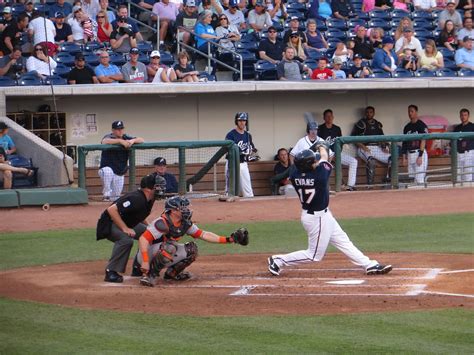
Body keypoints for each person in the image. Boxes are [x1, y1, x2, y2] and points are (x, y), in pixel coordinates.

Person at [267, 148, 392, 277]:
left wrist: (314, 153)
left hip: (320, 215)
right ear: (308, 166)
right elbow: (324, 157)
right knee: (314, 255)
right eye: (313, 161)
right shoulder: (319, 176)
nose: (316, 162)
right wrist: (322, 146)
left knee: (343, 241)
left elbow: (308, 163)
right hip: (317, 218)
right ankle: (278, 260)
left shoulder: (294, 173)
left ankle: (369, 264)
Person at [136, 196, 248, 286]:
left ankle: (172, 273)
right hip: (146, 254)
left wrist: (229, 239)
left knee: (192, 249)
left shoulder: (184, 222)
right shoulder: (161, 223)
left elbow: (204, 234)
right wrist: (145, 261)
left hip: (164, 250)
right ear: (173, 210)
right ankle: (150, 275)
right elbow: (143, 239)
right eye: (183, 207)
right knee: (170, 247)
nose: (186, 209)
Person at [96, 174, 165, 283]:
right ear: (148, 188)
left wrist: (149, 227)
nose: (161, 189)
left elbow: (139, 215)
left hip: (127, 223)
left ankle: (138, 267)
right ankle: (111, 272)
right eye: (158, 187)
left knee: (151, 234)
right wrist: (124, 228)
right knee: (126, 240)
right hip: (109, 223)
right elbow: (111, 209)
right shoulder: (136, 198)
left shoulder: (150, 199)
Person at [98, 120, 144, 201]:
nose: (120, 131)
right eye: (117, 129)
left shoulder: (126, 137)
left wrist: (132, 141)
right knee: (107, 171)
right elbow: (104, 141)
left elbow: (141, 140)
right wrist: (120, 141)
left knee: (116, 198)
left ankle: (109, 200)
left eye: (121, 129)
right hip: (106, 171)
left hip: (119, 173)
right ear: (113, 130)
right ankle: (106, 194)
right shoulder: (109, 136)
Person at [318, 109, 358, 191]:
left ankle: (350, 185)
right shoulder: (320, 129)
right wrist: (328, 155)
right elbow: (318, 145)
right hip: (324, 155)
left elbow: (341, 143)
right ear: (324, 118)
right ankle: (325, 187)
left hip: (337, 154)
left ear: (333, 117)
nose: (329, 118)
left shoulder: (337, 129)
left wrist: (337, 154)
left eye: (330, 116)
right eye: (327, 116)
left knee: (353, 161)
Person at [351, 106, 391, 186]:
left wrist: (384, 147)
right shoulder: (361, 123)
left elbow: (382, 138)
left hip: (377, 148)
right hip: (365, 147)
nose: (369, 114)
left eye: (371, 112)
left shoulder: (377, 124)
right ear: (365, 113)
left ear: (374, 113)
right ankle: (370, 186)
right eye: (367, 112)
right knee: (371, 162)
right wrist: (363, 147)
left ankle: (389, 180)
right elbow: (353, 138)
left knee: (391, 159)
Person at [225, 112, 257, 198]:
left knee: (248, 189)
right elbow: (227, 150)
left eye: (244, 120)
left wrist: (251, 154)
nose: (242, 123)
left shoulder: (248, 135)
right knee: (230, 189)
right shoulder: (231, 134)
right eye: (240, 121)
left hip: (243, 163)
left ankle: (250, 206)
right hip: (232, 163)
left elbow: (252, 149)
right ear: (236, 121)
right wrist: (242, 153)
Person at [401, 105, 429, 185]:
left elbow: (423, 140)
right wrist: (404, 158)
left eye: (412, 111)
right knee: (413, 179)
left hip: (419, 153)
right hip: (410, 154)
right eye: (409, 111)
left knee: (420, 179)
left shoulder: (421, 125)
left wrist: (420, 156)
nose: (410, 113)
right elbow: (404, 143)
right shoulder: (407, 127)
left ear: (416, 112)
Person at [453, 108, 474, 182]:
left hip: (468, 152)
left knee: (468, 174)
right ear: (460, 116)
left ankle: (468, 192)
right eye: (462, 115)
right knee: (458, 175)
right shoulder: (457, 128)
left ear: (468, 116)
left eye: (465, 115)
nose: (463, 117)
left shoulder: (472, 126)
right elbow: (453, 140)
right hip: (459, 153)